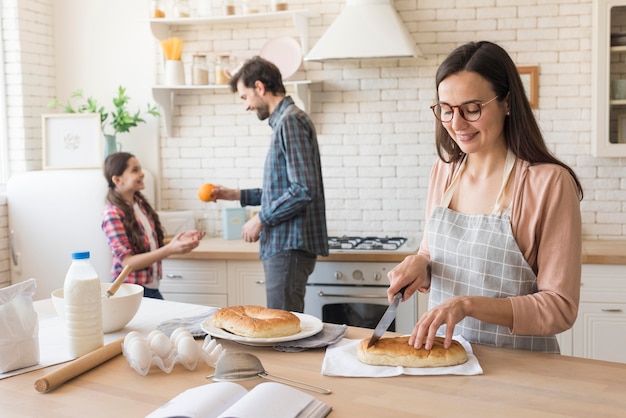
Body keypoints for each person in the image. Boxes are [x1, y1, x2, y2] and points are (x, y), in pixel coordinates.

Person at [387, 41, 583, 353]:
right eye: (446, 110)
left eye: (472, 108)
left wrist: (468, 305)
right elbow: (430, 253)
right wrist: (419, 263)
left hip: (524, 371)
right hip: (446, 362)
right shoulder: (443, 172)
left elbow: (559, 308)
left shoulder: (549, 183)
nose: (457, 123)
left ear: (507, 102)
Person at [213, 56, 328, 312]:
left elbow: (303, 190)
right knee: (282, 327)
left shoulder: (290, 122)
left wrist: (260, 219)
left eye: (245, 97)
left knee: (282, 330)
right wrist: (233, 194)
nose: (246, 106)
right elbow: (285, 190)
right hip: (286, 245)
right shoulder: (287, 121)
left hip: (288, 245)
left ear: (260, 88)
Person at [102, 152, 203, 299]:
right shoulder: (112, 214)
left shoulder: (139, 204)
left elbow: (148, 243)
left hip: (149, 287)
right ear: (118, 180)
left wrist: (177, 240)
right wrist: (169, 250)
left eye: (140, 169)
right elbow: (127, 262)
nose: (142, 174)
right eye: (135, 170)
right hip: (129, 291)